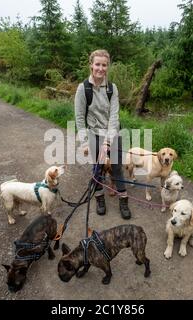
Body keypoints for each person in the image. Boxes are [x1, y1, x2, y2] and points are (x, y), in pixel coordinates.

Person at [74, 49, 132, 220]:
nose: (100, 68)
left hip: (112, 133)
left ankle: (123, 200)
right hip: (93, 134)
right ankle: (99, 198)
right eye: (97, 64)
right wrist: (85, 143)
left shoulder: (112, 88)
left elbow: (114, 117)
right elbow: (79, 118)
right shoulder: (83, 88)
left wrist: (107, 141)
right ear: (91, 65)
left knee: (116, 167)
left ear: (108, 66)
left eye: (104, 65)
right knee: (98, 168)